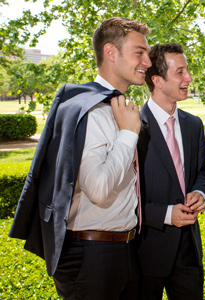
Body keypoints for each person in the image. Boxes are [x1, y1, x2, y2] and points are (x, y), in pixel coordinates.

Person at [9, 17, 151, 299]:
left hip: (125, 249)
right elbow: (98, 189)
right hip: (91, 257)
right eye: (139, 52)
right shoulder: (92, 112)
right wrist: (128, 133)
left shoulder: (118, 107)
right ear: (111, 52)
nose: (147, 61)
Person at [136, 43, 205, 300]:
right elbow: (121, 196)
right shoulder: (132, 127)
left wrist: (201, 192)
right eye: (180, 72)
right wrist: (166, 214)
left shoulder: (193, 125)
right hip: (145, 252)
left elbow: (201, 172)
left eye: (187, 70)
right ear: (157, 80)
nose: (188, 78)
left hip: (189, 250)